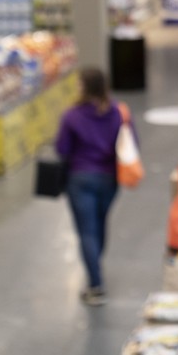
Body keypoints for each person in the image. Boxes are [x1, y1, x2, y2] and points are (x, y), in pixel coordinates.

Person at [54, 67, 129, 306]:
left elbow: (62, 148)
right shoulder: (118, 113)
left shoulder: (72, 116)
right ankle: (95, 267)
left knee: (87, 231)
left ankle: (96, 286)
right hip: (109, 178)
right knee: (100, 225)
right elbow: (129, 144)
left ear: (84, 87)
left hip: (80, 179)